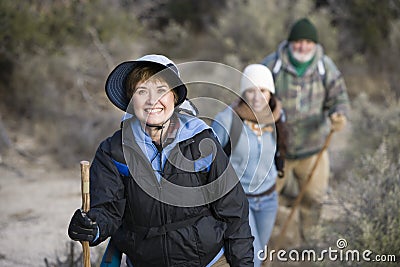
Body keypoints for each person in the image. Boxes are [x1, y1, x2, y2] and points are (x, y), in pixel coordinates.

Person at [67, 54, 254, 267]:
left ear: (174, 96)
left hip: (210, 262)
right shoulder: (114, 151)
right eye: (141, 91)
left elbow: (234, 212)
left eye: (161, 90)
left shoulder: (202, 143)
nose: (151, 101)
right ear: (131, 100)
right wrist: (92, 226)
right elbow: (108, 210)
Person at [261, 18, 350, 244]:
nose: (303, 47)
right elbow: (254, 97)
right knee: (264, 198)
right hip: (276, 148)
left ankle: (310, 245)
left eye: (308, 42)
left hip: (313, 150)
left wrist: (338, 115)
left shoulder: (325, 67)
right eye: (298, 41)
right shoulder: (272, 65)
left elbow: (339, 97)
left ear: (315, 44)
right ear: (290, 43)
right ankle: (261, 246)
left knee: (314, 199)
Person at [211, 64, 287, 266]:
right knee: (250, 255)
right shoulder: (228, 118)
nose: (256, 97)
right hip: (239, 200)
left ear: (270, 92)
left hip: (269, 197)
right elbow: (208, 156)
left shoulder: (278, 116)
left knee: (260, 251)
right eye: (250, 91)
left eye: (262, 90)